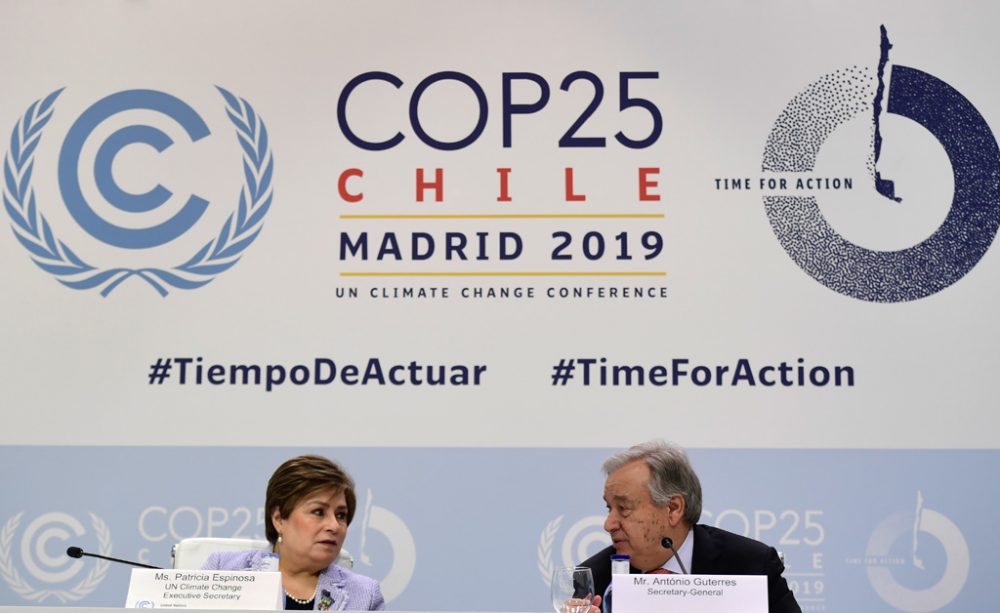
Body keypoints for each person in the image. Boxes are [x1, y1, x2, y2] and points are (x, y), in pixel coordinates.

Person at [581, 441, 800, 613]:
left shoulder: (750, 566)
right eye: (609, 508)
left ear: (673, 508)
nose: (609, 524)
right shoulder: (595, 578)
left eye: (624, 508)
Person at [203, 455, 385, 611]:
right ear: (279, 519)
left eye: (341, 515)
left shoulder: (365, 594)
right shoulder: (223, 570)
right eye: (318, 512)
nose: (334, 525)